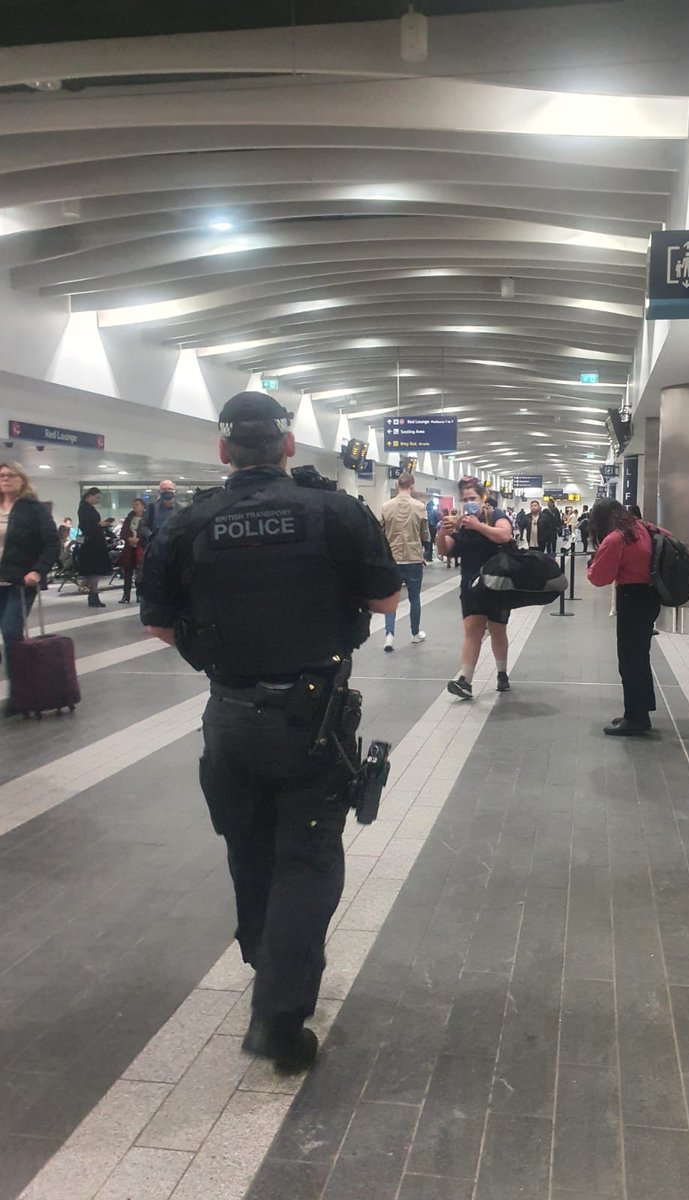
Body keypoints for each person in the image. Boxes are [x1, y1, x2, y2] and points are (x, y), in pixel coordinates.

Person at [141, 391, 400, 1073]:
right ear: (289, 446)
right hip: (313, 720)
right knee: (307, 860)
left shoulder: (189, 521)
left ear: (222, 451)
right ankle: (280, 1021)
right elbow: (386, 597)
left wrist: (223, 659)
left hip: (228, 717)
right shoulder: (336, 511)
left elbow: (159, 622)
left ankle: (268, 961)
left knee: (249, 851)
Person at [587, 498, 663, 735]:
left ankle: (635, 718)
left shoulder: (616, 538)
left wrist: (591, 564)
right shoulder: (643, 528)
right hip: (651, 597)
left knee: (629, 660)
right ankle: (641, 711)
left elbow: (599, 578)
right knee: (640, 657)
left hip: (632, 598)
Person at [436, 475, 514, 699]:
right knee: (472, 632)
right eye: (465, 498)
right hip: (470, 585)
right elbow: (445, 550)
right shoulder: (460, 523)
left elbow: (504, 535)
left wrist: (478, 526)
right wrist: (442, 531)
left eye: (473, 497)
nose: (469, 502)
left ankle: (502, 674)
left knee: (498, 630)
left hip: (496, 584)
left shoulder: (494, 515)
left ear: (483, 498)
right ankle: (466, 680)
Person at [0, 462, 59, 715]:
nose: (4, 479)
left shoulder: (33, 509)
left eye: (9, 475)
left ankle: (20, 693)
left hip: (19, 582)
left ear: (22, 479)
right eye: (1, 475)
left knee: (11, 634)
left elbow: (51, 543)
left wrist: (37, 570)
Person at [380, 472, 429, 651]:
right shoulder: (419, 507)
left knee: (391, 599)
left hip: (392, 559)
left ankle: (389, 635)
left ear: (396, 485)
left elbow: (379, 532)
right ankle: (415, 634)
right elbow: (425, 535)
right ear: (412, 486)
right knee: (414, 599)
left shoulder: (386, 507)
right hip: (413, 558)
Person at [77, 487, 112, 608]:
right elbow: (86, 526)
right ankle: (93, 594)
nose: (98, 500)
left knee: (94, 572)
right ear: (90, 496)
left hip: (93, 542)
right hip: (93, 544)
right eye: (97, 497)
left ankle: (93, 595)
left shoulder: (86, 508)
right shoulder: (85, 509)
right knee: (95, 571)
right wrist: (99, 524)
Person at [138, 479, 182, 548]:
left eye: (170, 489)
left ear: (175, 492)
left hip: (176, 549)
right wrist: (152, 537)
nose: (167, 491)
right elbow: (143, 526)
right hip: (155, 549)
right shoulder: (151, 508)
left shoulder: (183, 510)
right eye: (164, 489)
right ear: (159, 492)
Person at [118, 497, 145, 604]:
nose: (135, 507)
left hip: (140, 549)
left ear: (143, 506)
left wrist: (139, 539)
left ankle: (140, 594)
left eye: (137, 504)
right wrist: (129, 539)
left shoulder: (147, 518)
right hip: (129, 549)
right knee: (128, 573)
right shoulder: (129, 518)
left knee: (140, 574)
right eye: (134, 505)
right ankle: (126, 595)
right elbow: (123, 532)